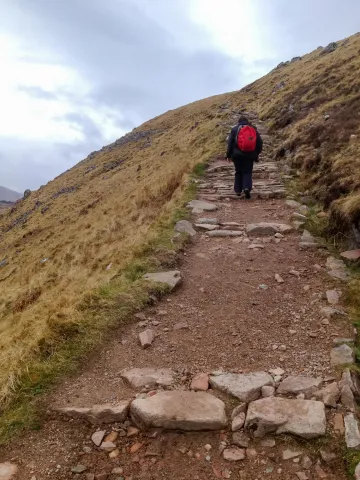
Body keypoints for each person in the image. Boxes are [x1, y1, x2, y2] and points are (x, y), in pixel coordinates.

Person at [226, 116, 263, 199]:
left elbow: (230, 143)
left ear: (239, 122)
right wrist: (256, 153)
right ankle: (246, 188)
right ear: (247, 121)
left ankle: (238, 190)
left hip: (237, 155)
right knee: (247, 171)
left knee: (238, 171)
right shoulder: (253, 129)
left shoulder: (234, 129)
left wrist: (228, 155)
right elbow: (259, 142)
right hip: (250, 155)